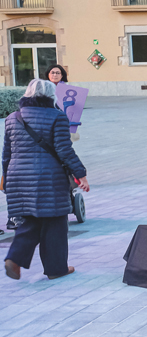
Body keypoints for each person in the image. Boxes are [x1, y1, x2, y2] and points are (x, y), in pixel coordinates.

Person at [3, 79, 89, 281]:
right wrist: (80, 174)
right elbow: (64, 150)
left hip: (17, 176)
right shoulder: (57, 117)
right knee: (55, 221)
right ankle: (56, 268)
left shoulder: (12, 118)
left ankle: (14, 258)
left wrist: (6, 178)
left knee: (30, 220)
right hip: (47, 177)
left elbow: (6, 153)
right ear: (51, 96)